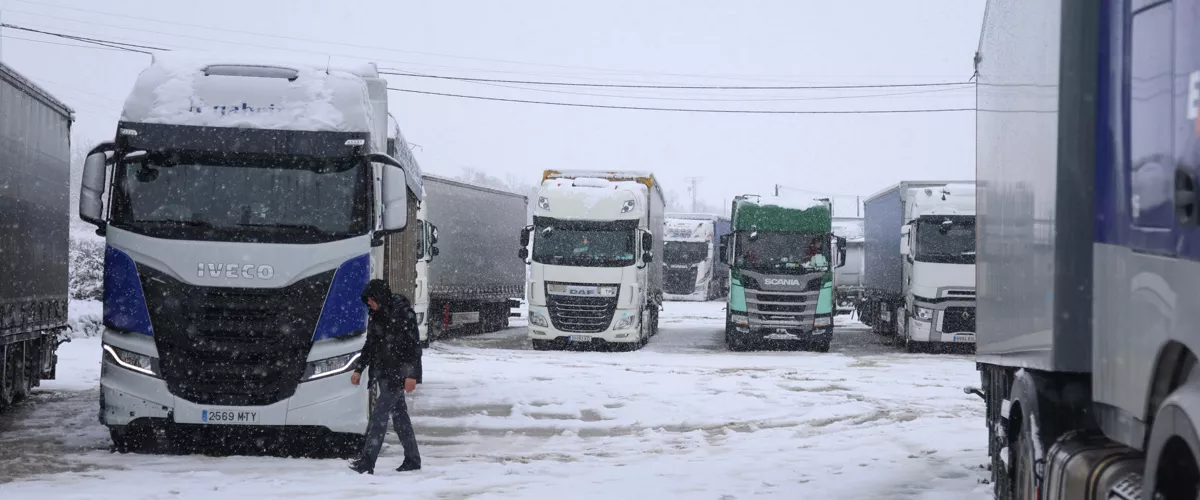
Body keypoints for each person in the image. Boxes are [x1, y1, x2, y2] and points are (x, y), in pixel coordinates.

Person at [348, 279, 423, 475]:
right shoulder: (377, 316)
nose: (369, 304)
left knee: (379, 414)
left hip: (398, 374)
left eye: (372, 300)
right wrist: (359, 369)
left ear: (380, 297)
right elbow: (370, 345)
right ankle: (413, 459)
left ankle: (368, 461)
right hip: (383, 373)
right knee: (400, 417)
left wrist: (412, 375)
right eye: (368, 301)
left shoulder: (404, 314)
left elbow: (413, 348)